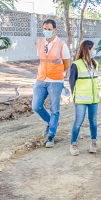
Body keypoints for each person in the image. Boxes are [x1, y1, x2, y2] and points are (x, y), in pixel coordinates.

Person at [32, 19, 71, 148]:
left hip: (55, 81)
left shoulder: (61, 45)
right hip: (41, 79)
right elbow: (42, 60)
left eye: (49, 29)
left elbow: (67, 64)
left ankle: (51, 135)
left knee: (55, 109)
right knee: (36, 106)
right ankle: (51, 123)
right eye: (45, 29)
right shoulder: (40, 43)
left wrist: (56, 73)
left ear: (55, 30)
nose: (46, 31)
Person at [68, 40, 99, 156]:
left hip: (93, 99)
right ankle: (73, 144)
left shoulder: (95, 64)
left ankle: (93, 142)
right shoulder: (76, 65)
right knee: (78, 122)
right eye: (93, 49)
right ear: (88, 50)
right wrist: (75, 97)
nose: (95, 51)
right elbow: (72, 83)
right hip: (81, 100)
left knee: (93, 121)